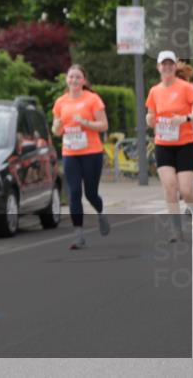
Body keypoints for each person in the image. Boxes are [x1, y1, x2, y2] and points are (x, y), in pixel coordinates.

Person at [145, 51, 193, 240]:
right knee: (169, 187)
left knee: (187, 190)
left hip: (184, 144)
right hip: (163, 144)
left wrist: (185, 118)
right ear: (158, 67)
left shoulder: (186, 88)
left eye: (170, 64)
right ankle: (176, 230)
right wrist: (150, 118)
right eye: (163, 64)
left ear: (175, 66)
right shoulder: (154, 91)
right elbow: (151, 117)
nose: (167, 67)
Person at [52, 64, 109, 249]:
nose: (74, 80)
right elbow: (56, 130)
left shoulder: (92, 99)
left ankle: (100, 213)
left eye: (78, 77)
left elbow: (104, 125)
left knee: (91, 193)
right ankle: (78, 235)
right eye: (71, 77)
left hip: (91, 152)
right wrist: (58, 127)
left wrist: (86, 123)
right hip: (70, 153)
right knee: (74, 193)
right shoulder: (61, 102)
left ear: (83, 80)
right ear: (66, 79)